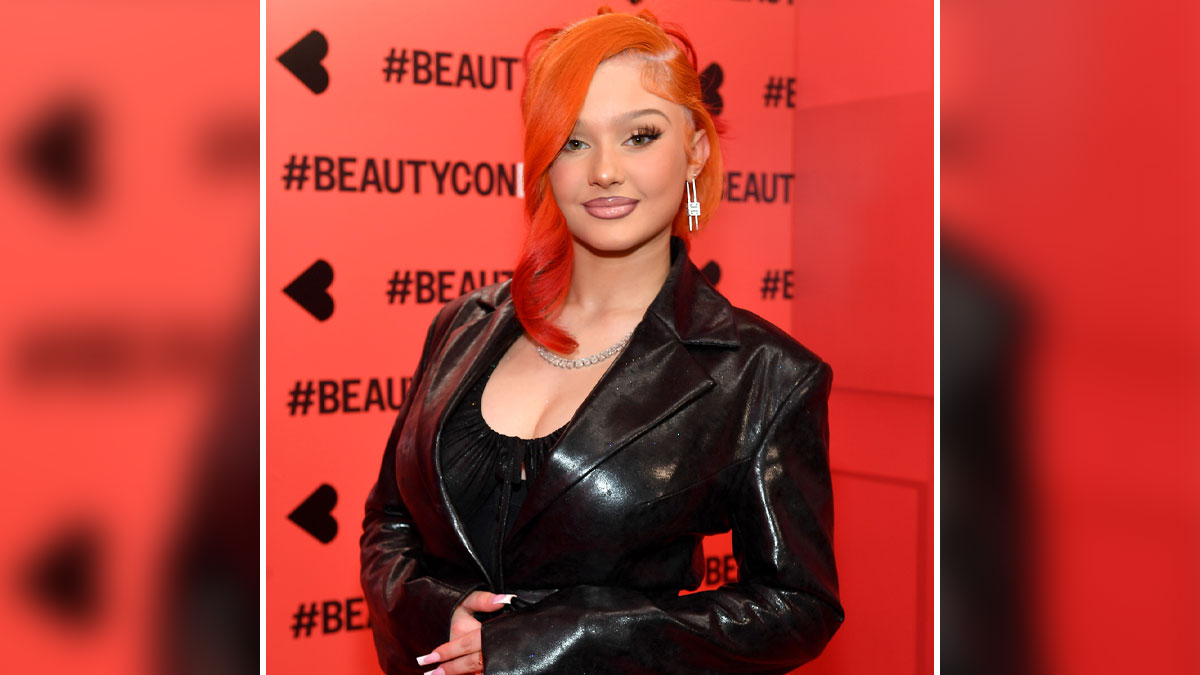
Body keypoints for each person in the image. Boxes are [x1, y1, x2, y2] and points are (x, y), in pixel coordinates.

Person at [360, 8, 842, 674]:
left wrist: (576, 638)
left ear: (695, 150)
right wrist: (436, 612)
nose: (605, 171)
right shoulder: (461, 324)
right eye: (573, 141)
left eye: (640, 136)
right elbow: (389, 525)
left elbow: (797, 605)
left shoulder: (764, 374)